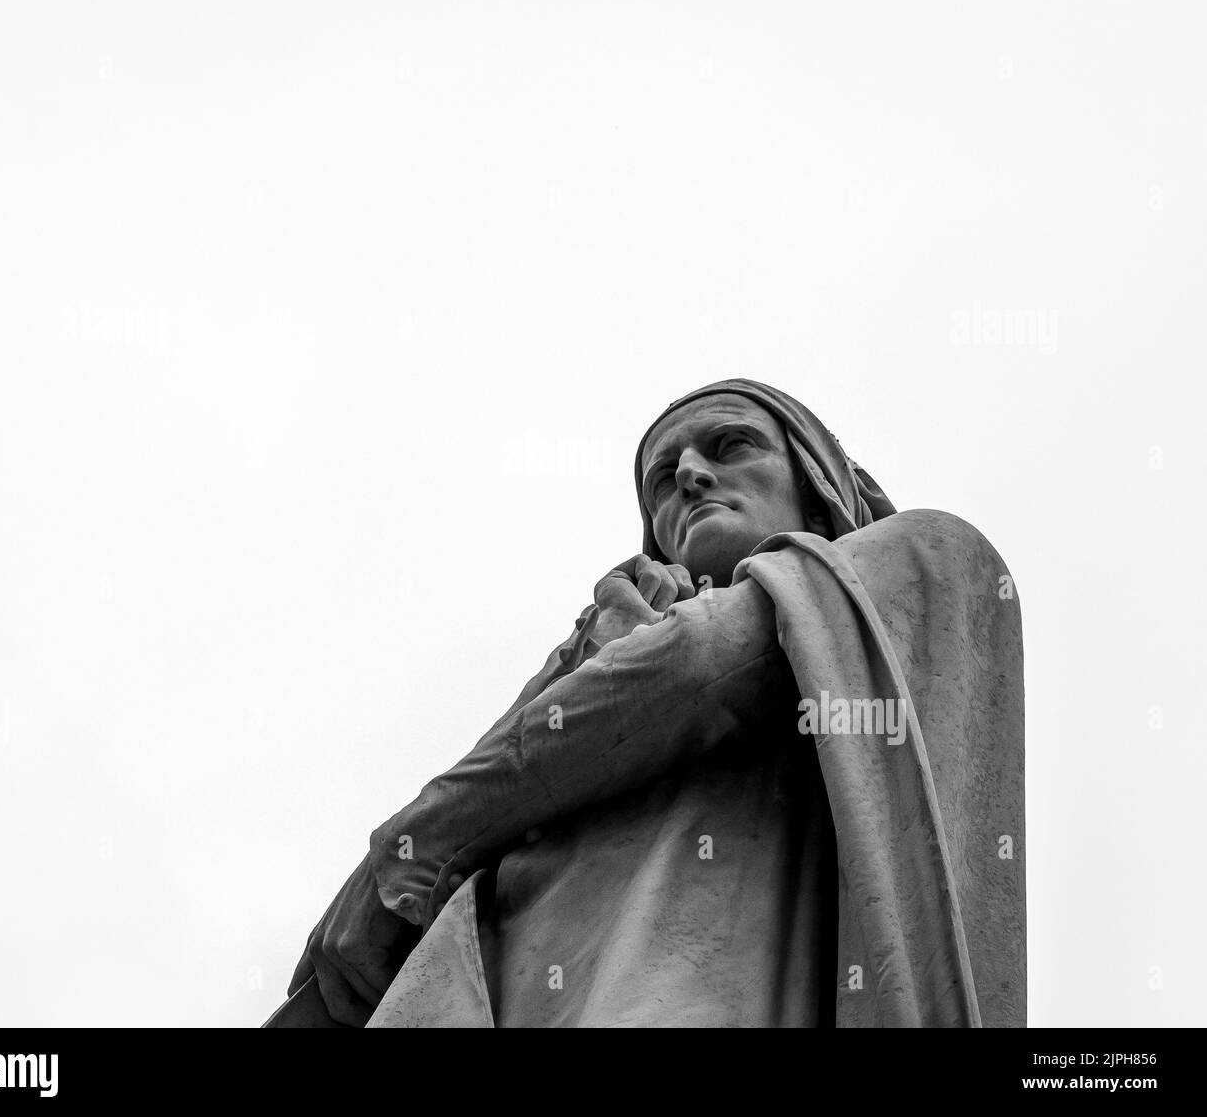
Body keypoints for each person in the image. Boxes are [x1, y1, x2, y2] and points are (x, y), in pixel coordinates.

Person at [265, 379, 1025, 1028]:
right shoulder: (610, 637)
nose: (689, 476)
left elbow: (691, 672)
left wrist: (406, 852)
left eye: (730, 445)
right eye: (663, 478)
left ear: (817, 482)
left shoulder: (913, 558)